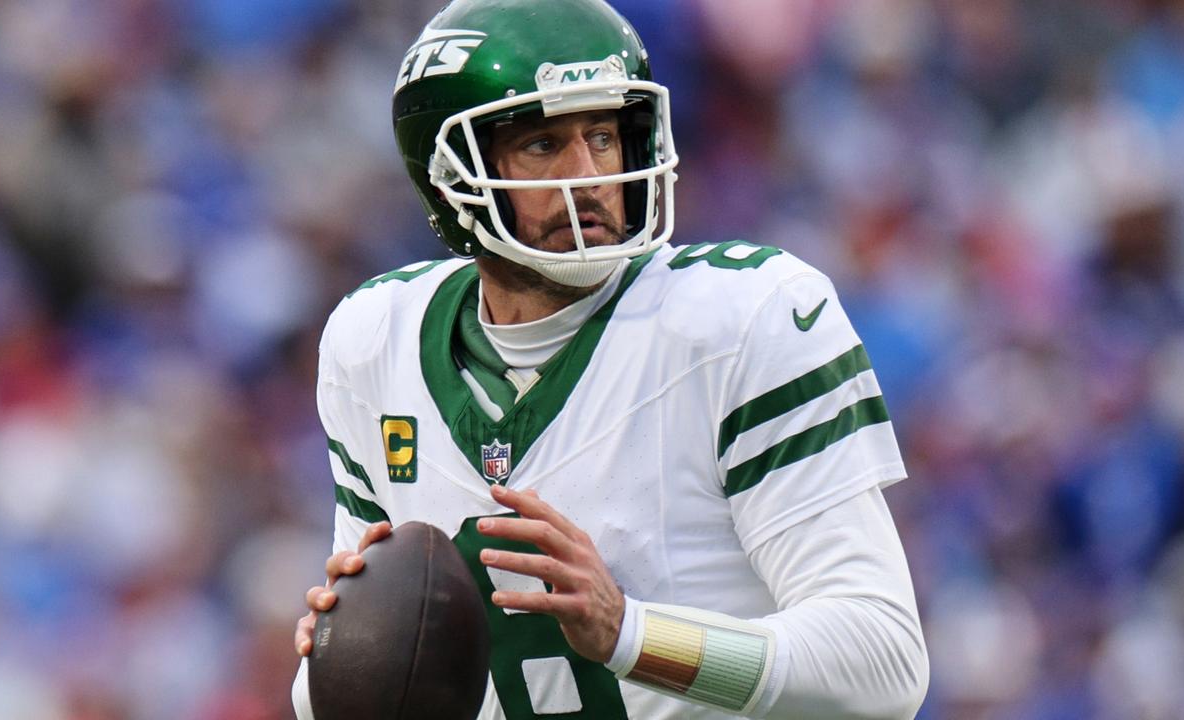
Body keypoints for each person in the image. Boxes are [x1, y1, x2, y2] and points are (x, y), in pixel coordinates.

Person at [291, 0, 929, 717]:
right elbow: (350, 688)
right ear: (449, 175)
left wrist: (630, 632)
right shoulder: (373, 341)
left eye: (603, 134)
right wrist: (339, 661)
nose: (590, 175)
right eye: (543, 144)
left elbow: (882, 663)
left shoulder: (742, 318)